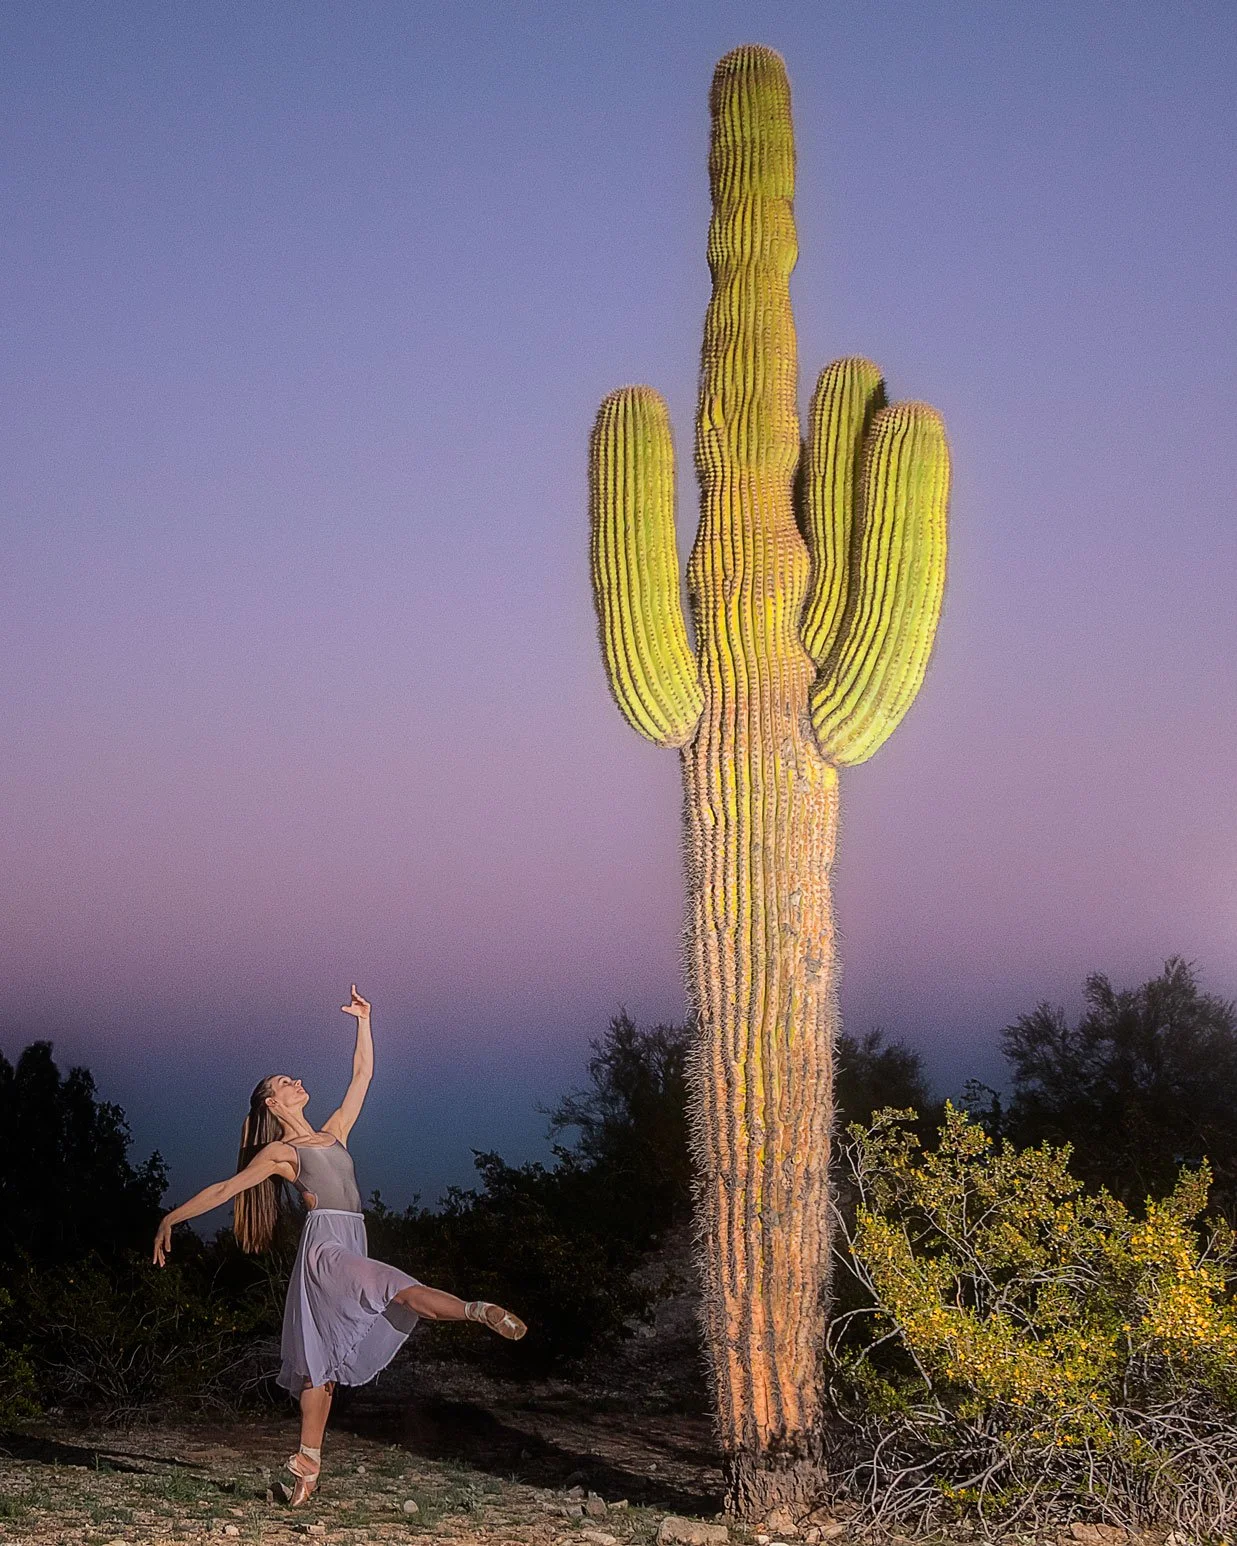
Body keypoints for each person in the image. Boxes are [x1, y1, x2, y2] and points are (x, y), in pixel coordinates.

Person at [152, 986, 525, 1507]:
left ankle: (307, 1463)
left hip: (352, 1235)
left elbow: (363, 1075)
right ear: (271, 1102)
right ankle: (475, 1309)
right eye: (287, 1082)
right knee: (394, 1287)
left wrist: (364, 1022)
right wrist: (172, 1217)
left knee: (319, 1365)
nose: (298, 1082)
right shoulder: (282, 1152)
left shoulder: (334, 1132)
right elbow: (225, 1189)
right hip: (326, 1249)